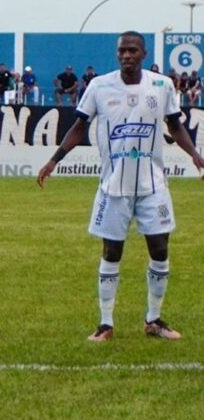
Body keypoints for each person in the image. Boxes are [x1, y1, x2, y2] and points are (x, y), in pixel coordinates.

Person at [37, 31, 204, 342]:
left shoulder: (161, 85)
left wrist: (195, 155)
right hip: (114, 186)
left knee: (160, 248)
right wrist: (53, 160)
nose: (127, 55)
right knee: (112, 251)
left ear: (143, 53)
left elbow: (175, 125)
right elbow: (79, 127)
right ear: (117, 54)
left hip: (153, 185)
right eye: (122, 51)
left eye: (133, 50)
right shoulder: (100, 86)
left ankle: (153, 319)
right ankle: (105, 323)